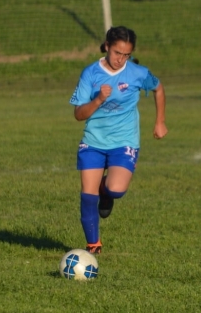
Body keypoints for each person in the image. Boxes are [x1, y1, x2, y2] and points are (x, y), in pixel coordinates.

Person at [69, 26, 168, 254]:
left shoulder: (138, 73)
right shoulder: (90, 73)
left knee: (115, 189)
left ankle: (106, 192)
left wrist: (160, 121)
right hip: (93, 140)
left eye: (126, 55)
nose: (121, 59)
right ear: (106, 46)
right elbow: (78, 115)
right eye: (117, 53)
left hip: (125, 141)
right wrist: (98, 100)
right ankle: (94, 245)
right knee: (87, 194)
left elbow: (159, 88)